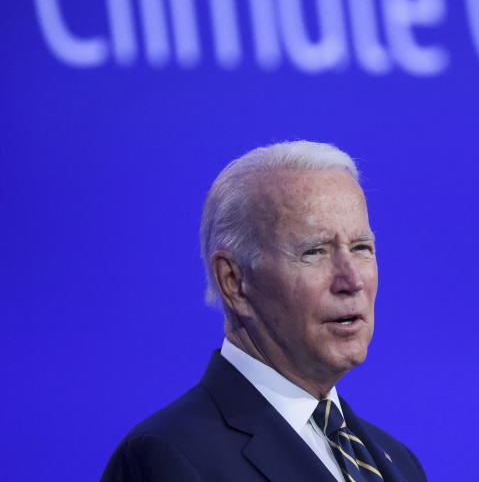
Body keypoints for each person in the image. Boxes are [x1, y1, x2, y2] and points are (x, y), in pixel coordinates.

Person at [101, 141, 427, 482]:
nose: (352, 280)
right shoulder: (169, 457)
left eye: (361, 248)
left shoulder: (397, 461)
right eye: (314, 252)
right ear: (234, 281)